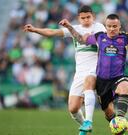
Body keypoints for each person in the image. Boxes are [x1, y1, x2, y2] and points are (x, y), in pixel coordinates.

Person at [59, 14, 128, 133]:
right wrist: (70, 27)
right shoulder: (99, 37)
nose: (112, 29)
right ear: (105, 26)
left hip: (118, 78)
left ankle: (121, 118)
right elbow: (81, 39)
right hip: (102, 81)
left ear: (119, 26)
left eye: (114, 26)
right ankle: (119, 127)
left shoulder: (126, 38)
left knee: (125, 87)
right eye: (109, 26)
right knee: (109, 114)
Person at [23, 5, 106, 134]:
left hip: (96, 68)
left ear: (93, 16)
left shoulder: (99, 27)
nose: (86, 20)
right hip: (80, 72)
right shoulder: (76, 28)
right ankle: (85, 125)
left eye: (88, 17)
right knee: (73, 108)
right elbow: (53, 32)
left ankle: (89, 121)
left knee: (89, 84)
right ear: (78, 18)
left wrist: (70, 27)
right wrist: (35, 30)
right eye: (83, 18)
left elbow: (88, 40)